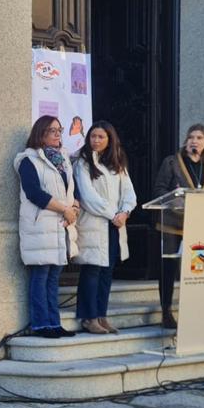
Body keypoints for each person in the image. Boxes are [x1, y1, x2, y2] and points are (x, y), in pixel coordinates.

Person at [152, 123, 204, 331]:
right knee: (169, 270)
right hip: (172, 225)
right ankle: (166, 312)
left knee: (198, 271)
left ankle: (200, 312)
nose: (194, 141)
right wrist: (177, 200)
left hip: (198, 227)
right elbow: (159, 190)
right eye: (191, 137)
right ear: (186, 140)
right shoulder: (172, 162)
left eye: (199, 138)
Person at [14, 115, 79, 339]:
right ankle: (41, 325)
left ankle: (54, 322)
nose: (58, 134)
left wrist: (74, 208)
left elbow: (71, 190)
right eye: (53, 130)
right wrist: (64, 209)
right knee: (40, 275)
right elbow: (34, 193)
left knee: (53, 277)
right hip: (40, 225)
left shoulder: (63, 159)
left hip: (61, 226)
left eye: (60, 130)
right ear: (40, 133)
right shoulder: (28, 160)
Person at [73, 121, 137, 334]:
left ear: (110, 140)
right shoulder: (82, 163)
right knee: (92, 269)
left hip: (114, 225)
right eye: (93, 136)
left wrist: (125, 212)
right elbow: (88, 196)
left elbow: (129, 193)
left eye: (101, 137)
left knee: (107, 271)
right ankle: (88, 318)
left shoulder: (117, 163)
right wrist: (113, 215)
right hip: (95, 223)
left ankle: (101, 315)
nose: (96, 140)